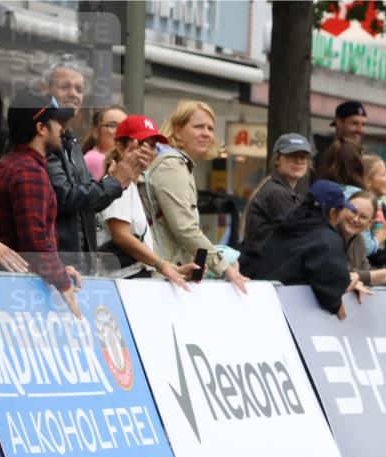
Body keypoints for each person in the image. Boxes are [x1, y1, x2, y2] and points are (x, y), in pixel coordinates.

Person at [0, 91, 83, 318]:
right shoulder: (29, 171)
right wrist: (65, 286)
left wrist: (58, 270)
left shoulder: (8, 163)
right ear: (41, 128)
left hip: (9, 289)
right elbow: (35, 243)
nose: (61, 128)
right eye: (56, 122)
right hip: (17, 297)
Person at [42, 61, 150, 270]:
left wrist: (117, 180)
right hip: (56, 269)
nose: (74, 94)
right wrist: (115, 183)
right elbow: (64, 198)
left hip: (80, 269)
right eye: (65, 87)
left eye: (79, 89)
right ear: (44, 90)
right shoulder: (41, 139)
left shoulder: (70, 142)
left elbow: (89, 203)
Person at [143, 100, 249, 294]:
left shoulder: (179, 164)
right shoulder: (171, 164)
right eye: (198, 126)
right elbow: (184, 228)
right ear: (177, 131)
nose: (206, 133)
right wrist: (224, 267)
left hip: (168, 275)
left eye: (210, 128)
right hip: (159, 279)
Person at [96, 115, 196, 288]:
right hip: (120, 283)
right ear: (120, 146)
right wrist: (161, 265)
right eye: (141, 144)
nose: (148, 151)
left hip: (131, 279)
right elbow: (121, 236)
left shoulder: (131, 185)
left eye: (152, 146)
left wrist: (172, 268)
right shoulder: (117, 183)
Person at [245, 181, 364, 319]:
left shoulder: (283, 226)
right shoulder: (326, 239)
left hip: (255, 305)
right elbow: (333, 283)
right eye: (342, 210)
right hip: (285, 316)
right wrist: (336, 303)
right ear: (332, 213)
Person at [240, 133, 313, 258]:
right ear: (277, 159)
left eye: (303, 156)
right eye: (292, 156)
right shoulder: (276, 192)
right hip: (266, 267)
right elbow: (301, 234)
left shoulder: (282, 189)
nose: (299, 161)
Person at [313, 100, 368, 176]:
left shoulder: (361, 156)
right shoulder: (324, 158)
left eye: (363, 124)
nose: (360, 129)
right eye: (354, 123)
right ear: (339, 122)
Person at [82, 105, 127, 180]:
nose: (120, 131)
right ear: (95, 131)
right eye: (112, 125)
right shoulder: (95, 159)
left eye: (125, 126)